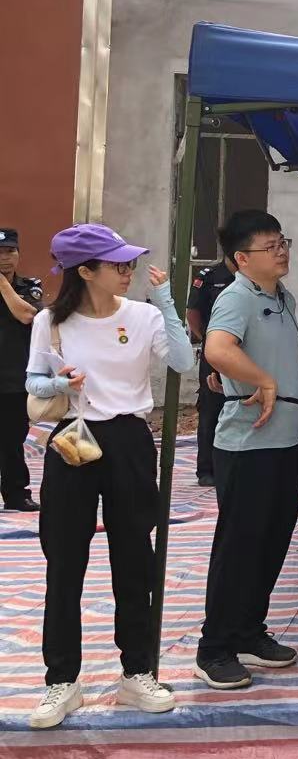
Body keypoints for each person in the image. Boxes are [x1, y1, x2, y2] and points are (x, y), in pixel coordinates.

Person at [24, 223, 193, 728]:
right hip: (74, 438)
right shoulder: (51, 320)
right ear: (85, 271)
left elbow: (182, 360)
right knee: (64, 561)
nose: (128, 271)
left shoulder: (142, 315)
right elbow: (34, 383)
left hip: (129, 439)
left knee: (134, 559)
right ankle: (61, 680)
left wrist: (165, 301)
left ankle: (136, 672)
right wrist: (60, 382)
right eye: (118, 264)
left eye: (129, 262)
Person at [194, 211, 298, 690]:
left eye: (283, 242)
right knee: (239, 547)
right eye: (270, 246)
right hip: (247, 445)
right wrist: (261, 379)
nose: (281, 251)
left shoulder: (284, 298)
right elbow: (218, 348)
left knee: (273, 540)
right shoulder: (236, 297)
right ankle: (214, 647)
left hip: (286, 439)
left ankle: (248, 630)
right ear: (242, 259)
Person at [185, 247, 237, 487]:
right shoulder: (209, 277)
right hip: (215, 352)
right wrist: (209, 340)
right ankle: (207, 469)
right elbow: (193, 314)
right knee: (211, 407)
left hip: (246, 351)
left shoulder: (255, 276)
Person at [0, 228, 43, 511]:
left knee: (12, 440)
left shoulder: (29, 287)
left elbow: (28, 315)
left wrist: (2, 284)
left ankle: (16, 493)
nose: (5, 258)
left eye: (10, 251)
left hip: (13, 378)